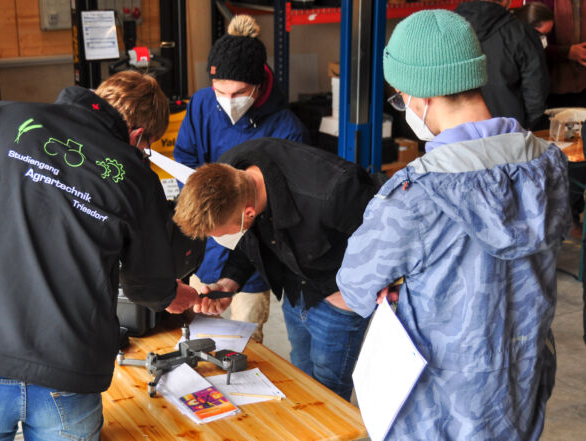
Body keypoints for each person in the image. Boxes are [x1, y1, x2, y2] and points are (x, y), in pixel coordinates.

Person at [0, 71, 200, 441]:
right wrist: (170, 295)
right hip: (69, 376)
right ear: (138, 136)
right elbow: (144, 284)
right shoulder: (134, 175)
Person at [337, 10, 569, 440]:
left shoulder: (416, 195)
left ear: (421, 97)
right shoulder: (548, 163)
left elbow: (354, 286)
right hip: (520, 384)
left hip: (440, 405)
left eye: (401, 96)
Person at [173, 138, 376, 400]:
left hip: (337, 298)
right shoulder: (233, 175)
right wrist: (230, 282)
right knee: (302, 375)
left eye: (220, 234)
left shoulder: (334, 190)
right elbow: (251, 236)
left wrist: (352, 290)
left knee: (328, 393)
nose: (217, 241)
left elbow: (385, 243)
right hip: (295, 286)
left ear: (248, 213)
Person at [173, 14, 306, 344]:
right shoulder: (203, 104)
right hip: (205, 242)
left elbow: (283, 207)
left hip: (252, 249)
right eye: (221, 91)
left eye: (239, 92)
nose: (229, 101)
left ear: (259, 84)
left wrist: (237, 224)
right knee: (196, 332)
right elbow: (185, 156)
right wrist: (200, 207)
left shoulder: (286, 128)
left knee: (243, 343)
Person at [455, 0, 550, 130]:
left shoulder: (446, 30)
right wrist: (525, 126)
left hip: (459, 132)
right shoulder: (522, 33)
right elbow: (536, 89)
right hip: (509, 131)